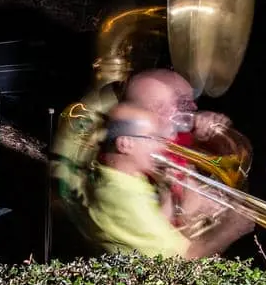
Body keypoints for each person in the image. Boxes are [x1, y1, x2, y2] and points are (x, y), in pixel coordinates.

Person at [84, 103, 246, 258]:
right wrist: (231, 228)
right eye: (152, 138)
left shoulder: (131, 179)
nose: (162, 147)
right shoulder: (123, 197)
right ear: (125, 144)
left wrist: (168, 196)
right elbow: (183, 258)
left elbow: (159, 229)